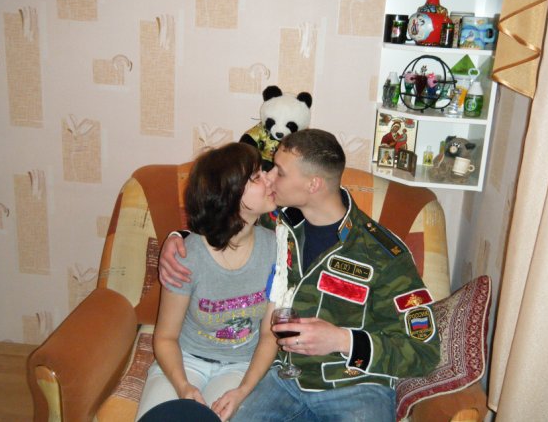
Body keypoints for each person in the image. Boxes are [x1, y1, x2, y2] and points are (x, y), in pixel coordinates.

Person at [159, 129, 440, 421]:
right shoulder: (276, 222)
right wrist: (177, 238)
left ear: (313, 184)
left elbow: (425, 352)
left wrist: (342, 340)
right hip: (284, 379)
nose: (268, 178)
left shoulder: (383, 254)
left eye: (279, 172)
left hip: (355, 386)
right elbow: (224, 219)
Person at [136, 142, 279, 422]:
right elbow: (165, 337)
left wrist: (243, 391)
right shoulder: (188, 256)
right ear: (229, 195)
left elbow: (268, 335)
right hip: (184, 361)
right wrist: (183, 386)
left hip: (240, 366)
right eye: (256, 176)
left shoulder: (275, 248)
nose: (269, 179)